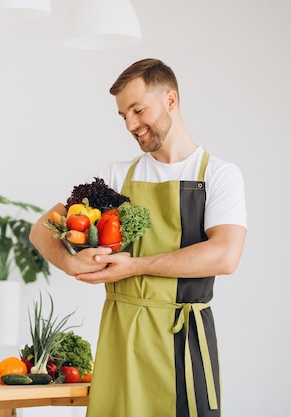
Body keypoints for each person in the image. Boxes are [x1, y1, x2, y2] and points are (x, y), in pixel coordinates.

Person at [29, 58, 247, 417]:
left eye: (138, 109)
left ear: (171, 101)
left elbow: (224, 255)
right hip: (121, 335)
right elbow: (41, 229)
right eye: (123, 115)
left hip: (181, 338)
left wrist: (133, 267)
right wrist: (71, 263)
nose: (131, 124)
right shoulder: (115, 177)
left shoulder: (219, 175)